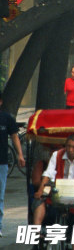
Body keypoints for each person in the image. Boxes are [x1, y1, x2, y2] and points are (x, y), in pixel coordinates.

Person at [33, 135, 74, 249]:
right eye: (68, 146)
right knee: (50, 210)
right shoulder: (57, 154)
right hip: (58, 192)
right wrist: (41, 189)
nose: (70, 150)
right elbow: (48, 174)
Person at [0, 90, 25, 237]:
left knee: (0, 195)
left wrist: (20, 155)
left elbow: (15, 136)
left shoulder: (6, 118)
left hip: (2, 162)